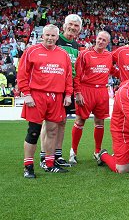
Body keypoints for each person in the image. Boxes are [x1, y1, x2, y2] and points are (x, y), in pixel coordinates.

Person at [18, 24, 73, 178]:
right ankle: (28, 166)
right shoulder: (32, 51)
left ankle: (49, 164)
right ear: (42, 35)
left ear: (57, 37)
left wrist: (68, 94)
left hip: (56, 97)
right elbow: (22, 73)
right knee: (34, 131)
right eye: (47, 35)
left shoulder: (63, 54)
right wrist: (26, 93)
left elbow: (68, 76)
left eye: (53, 36)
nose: (50, 38)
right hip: (37, 96)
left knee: (52, 130)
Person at [40, 14, 82, 168]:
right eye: (70, 24)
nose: (72, 27)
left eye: (76, 26)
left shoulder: (76, 46)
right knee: (49, 123)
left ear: (80, 29)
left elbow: (75, 70)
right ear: (64, 26)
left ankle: (57, 155)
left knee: (62, 121)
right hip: (53, 87)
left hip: (68, 88)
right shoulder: (55, 39)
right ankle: (44, 156)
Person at [69, 31, 115, 164]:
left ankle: (97, 151)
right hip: (86, 89)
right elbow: (77, 75)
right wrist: (77, 93)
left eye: (104, 40)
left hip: (101, 90)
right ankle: (73, 151)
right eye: (99, 39)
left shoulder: (109, 56)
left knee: (100, 122)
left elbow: (111, 70)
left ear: (107, 43)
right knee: (80, 120)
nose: (101, 42)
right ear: (96, 39)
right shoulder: (85, 54)